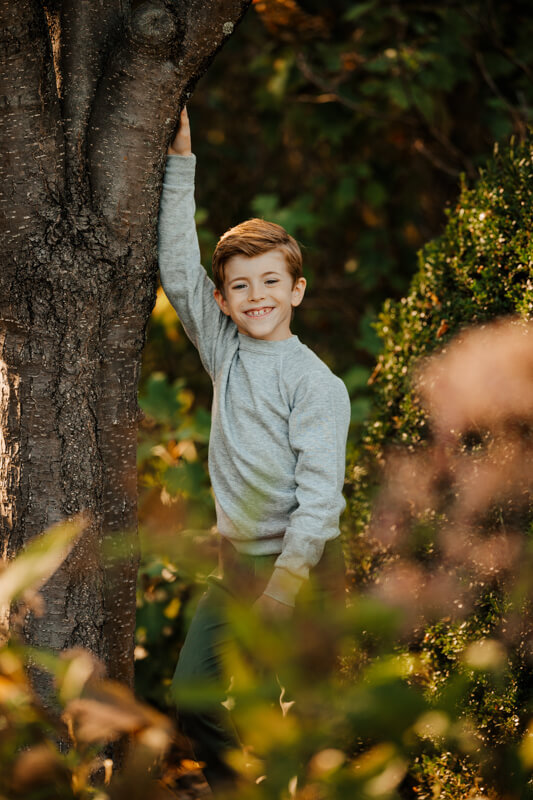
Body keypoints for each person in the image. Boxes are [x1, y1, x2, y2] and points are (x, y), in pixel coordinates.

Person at [158, 107, 351, 795]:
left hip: (303, 565)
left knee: (296, 721)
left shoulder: (315, 386)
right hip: (234, 562)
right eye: (240, 285)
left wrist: (283, 589)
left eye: (270, 281)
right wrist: (181, 161)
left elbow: (320, 499)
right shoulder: (224, 351)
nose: (255, 295)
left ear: (296, 289)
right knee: (192, 694)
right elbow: (179, 268)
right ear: (224, 299)